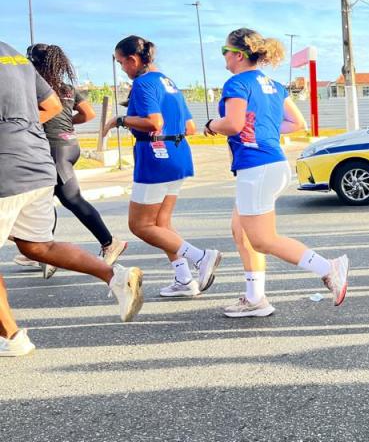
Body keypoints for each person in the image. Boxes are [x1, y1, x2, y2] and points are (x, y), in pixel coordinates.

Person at [1, 39, 143, 358]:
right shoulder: (11, 55)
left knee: (65, 210)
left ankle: (12, 337)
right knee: (38, 246)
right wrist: (20, 131)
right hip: (38, 163)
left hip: (6, 169)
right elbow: (51, 106)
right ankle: (115, 276)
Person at [205, 28, 348, 316]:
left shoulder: (236, 84)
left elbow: (232, 124)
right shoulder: (272, 84)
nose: (224, 57)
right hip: (271, 164)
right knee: (240, 230)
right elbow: (297, 123)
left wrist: (211, 125)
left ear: (238, 55)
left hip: (257, 167)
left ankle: (328, 268)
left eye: (225, 51)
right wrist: (262, 131)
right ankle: (255, 297)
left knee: (262, 239)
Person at [106, 35, 221, 299]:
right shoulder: (169, 83)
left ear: (133, 59)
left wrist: (120, 119)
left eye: (121, 62)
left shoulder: (143, 83)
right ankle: (184, 279)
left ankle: (201, 257)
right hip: (178, 155)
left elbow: (154, 122)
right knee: (161, 223)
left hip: (154, 158)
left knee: (140, 225)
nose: (122, 68)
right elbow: (190, 127)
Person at [24, 44, 127, 270]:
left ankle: (109, 242)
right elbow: (88, 113)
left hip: (54, 149)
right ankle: (42, 252)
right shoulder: (67, 88)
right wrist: (66, 124)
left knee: (71, 198)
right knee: (43, 197)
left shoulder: (35, 85)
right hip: (70, 145)